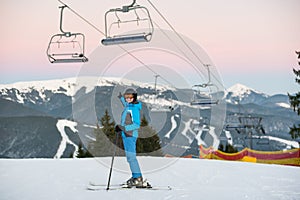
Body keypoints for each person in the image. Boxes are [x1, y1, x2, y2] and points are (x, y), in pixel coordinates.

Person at [115, 88, 148, 188]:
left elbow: (137, 124)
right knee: (130, 158)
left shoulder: (134, 109)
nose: (128, 99)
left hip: (130, 135)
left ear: (134, 97)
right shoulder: (129, 106)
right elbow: (126, 104)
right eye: (126, 97)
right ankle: (135, 177)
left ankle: (138, 178)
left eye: (130, 97)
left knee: (131, 158)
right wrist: (121, 98)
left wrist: (124, 128)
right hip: (126, 135)